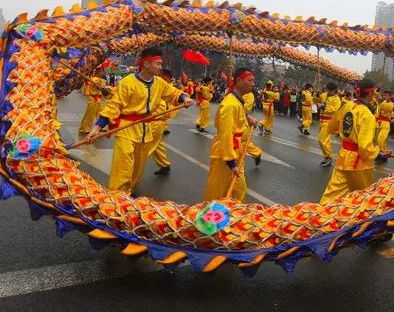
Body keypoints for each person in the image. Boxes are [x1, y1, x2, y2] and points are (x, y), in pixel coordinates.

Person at [87, 48, 194, 194]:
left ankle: (129, 191)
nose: (160, 67)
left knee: (138, 169)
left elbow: (173, 93)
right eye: (158, 63)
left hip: (146, 130)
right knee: (123, 167)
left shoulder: (160, 83)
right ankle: (116, 198)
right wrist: (97, 128)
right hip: (126, 129)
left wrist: (185, 98)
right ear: (146, 64)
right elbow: (114, 106)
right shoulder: (127, 83)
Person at [319, 79, 379, 204]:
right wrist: (378, 152)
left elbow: (331, 127)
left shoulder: (347, 106)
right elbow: (365, 148)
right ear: (371, 93)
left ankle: (318, 218)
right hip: (358, 164)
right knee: (364, 200)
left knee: (330, 197)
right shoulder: (367, 115)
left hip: (343, 157)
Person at [203, 68, 258, 202]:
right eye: (250, 80)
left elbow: (238, 112)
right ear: (239, 80)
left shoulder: (236, 101)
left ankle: (232, 216)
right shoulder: (230, 104)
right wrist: (231, 163)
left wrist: (247, 117)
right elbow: (226, 135)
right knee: (217, 193)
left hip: (236, 151)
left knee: (239, 190)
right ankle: (209, 221)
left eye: (253, 81)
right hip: (225, 154)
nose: (253, 84)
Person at [78, 67, 110, 135]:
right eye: (101, 71)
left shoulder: (102, 80)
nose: (102, 73)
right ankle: (84, 128)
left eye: (103, 71)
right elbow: (98, 87)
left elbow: (103, 88)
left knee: (102, 113)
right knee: (89, 114)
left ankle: (101, 127)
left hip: (99, 99)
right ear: (97, 72)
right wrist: (99, 86)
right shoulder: (93, 79)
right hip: (93, 99)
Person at [318, 82, 342, 167]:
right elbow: (316, 100)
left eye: (330, 90)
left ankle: (328, 157)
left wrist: (324, 107)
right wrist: (316, 95)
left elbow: (334, 109)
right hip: (321, 120)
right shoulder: (324, 95)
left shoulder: (337, 99)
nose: (328, 91)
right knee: (324, 141)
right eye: (328, 89)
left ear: (335, 90)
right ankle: (326, 157)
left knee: (321, 139)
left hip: (329, 122)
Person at [242, 89, 263, 167]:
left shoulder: (249, 95)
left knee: (242, 140)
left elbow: (243, 107)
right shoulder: (236, 91)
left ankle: (256, 153)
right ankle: (256, 153)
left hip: (243, 119)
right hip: (237, 118)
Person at [374, 90, 394, 164]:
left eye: (387, 95)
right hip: (379, 123)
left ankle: (380, 156)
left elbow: (387, 109)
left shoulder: (391, 104)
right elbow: (378, 111)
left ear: (390, 96)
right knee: (382, 142)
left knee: (380, 140)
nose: (385, 97)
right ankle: (384, 157)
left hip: (386, 124)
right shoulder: (382, 103)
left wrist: (379, 103)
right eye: (384, 95)